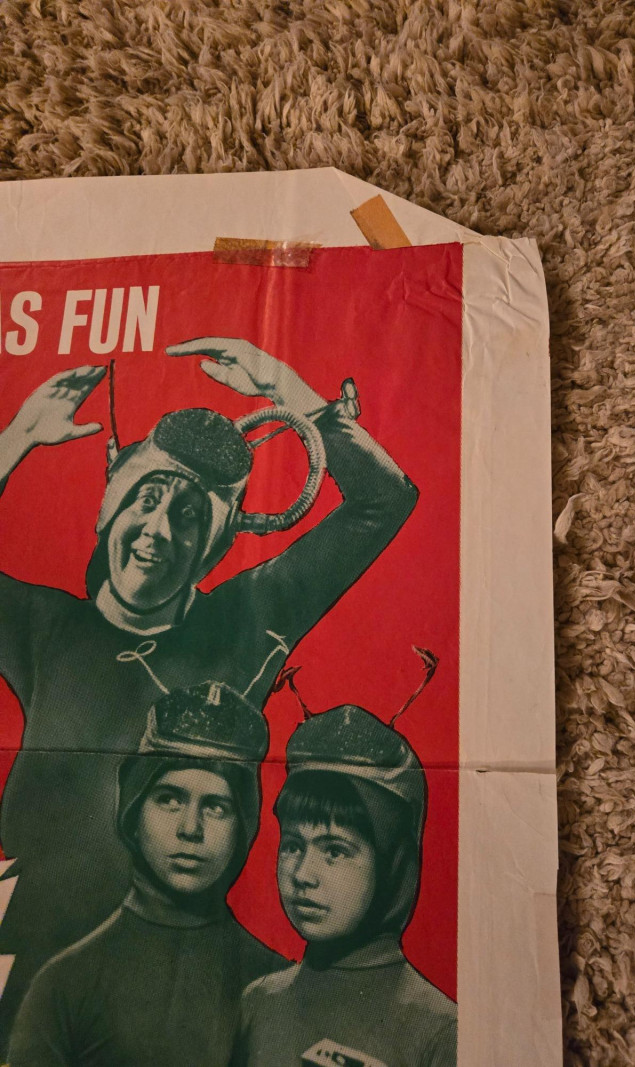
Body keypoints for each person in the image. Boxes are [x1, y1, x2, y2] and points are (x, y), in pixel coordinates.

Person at [0, 337, 418, 1041]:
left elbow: (385, 500)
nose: (158, 531)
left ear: (215, 545)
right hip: (26, 980)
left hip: (179, 996)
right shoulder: (45, 629)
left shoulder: (247, 620)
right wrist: (15, 438)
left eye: (190, 515)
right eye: (147, 499)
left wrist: (291, 390)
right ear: (109, 509)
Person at [8, 680, 289, 1067]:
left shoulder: (278, 985)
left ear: (243, 826)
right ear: (134, 810)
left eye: (216, 807)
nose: (190, 829)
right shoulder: (64, 986)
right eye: (169, 799)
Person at [233, 703, 457, 1067]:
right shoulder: (257, 1001)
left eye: (334, 851)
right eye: (293, 846)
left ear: (392, 865)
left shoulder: (441, 1032)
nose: (303, 874)